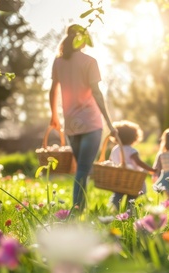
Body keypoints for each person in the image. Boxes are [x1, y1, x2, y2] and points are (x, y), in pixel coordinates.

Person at [49, 24, 117, 212]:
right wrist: (110, 124)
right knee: (82, 170)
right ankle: (77, 210)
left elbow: (53, 90)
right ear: (83, 41)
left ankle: (81, 208)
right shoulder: (89, 61)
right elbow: (96, 92)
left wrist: (54, 115)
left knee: (82, 169)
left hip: (70, 123)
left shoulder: (59, 62)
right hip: (91, 123)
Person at [109, 120, 155, 211]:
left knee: (118, 194)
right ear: (134, 137)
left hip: (118, 178)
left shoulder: (115, 149)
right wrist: (151, 170)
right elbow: (139, 163)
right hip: (131, 179)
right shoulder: (131, 150)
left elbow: (111, 160)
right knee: (132, 195)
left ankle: (115, 207)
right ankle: (129, 210)